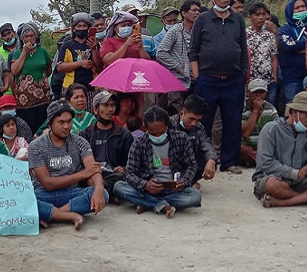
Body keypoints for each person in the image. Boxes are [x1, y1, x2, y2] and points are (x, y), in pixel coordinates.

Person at [188, 0, 248, 175]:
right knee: (202, 121)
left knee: (232, 121)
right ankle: (201, 161)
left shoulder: (238, 19)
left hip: (233, 79)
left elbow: (243, 50)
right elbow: (194, 50)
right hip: (207, 79)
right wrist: (197, 76)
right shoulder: (203, 19)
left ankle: (230, 161)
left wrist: (243, 75)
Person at [28, 100, 108, 230]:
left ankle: (52, 214)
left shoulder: (80, 142)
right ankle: (70, 216)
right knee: (23, 200)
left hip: (70, 194)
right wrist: (82, 174)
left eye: (69, 121)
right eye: (61, 122)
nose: (66, 126)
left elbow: (93, 168)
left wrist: (99, 187)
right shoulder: (36, 146)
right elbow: (47, 183)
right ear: (50, 123)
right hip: (43, 195)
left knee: (103, 194)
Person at [113, 106, 202, 218]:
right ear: (145, 128)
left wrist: (184, 181)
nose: (158, 136)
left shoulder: (181, 138)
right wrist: (145, 185)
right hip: (147, 190)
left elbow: (192, 165)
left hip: (173, 190)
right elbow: (129, 173)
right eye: (153, 133)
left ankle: (148, 203)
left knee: (195, 196)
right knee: (118, 187)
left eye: (161, 132)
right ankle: (161, 205)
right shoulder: (139, 143)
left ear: (167, 126)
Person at [252, 92, 307, 207]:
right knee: (272, 184)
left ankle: (282, 202)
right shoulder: (271, 129)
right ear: (293, 112)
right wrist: (295, 173)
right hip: (274, 177)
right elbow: (265, 163)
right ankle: (301, 198)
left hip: (300, 181)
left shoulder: (306, 132)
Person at [79, 91, 133, 200]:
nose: (110, 109)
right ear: (95, 109)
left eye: (112, 105)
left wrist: (123, 168)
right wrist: (89, 176)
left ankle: (100, 192)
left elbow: (131, 162)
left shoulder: (124, 134)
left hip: (113, 175)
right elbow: (79, 163)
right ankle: (108, 194)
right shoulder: (85, 134)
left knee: (121, 180)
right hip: (92, 174)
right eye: (105, 105)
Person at [156, 0, 202, 114]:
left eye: (198, 10)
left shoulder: (200, 31)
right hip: (177, 80)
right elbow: (161, 53)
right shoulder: (175, 30)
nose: (197, 13)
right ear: (184, 13)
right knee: (176, 114)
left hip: (195, 80)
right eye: (193, 10)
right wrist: (179, 67)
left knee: (193, 113)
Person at [10, 22, 52, 133]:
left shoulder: (42, 52)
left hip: (43, 100)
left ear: (36, 36)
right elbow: (14, 70)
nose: (29, 39)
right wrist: (24, 52)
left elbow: (49, 68)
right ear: (22, 38)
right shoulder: (17, 53)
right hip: (25, 102)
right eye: (26, 36)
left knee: (42, 129)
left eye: (31, 36)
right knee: (27, 130)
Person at [169, 95, 217, 188]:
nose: (194, 123)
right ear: (181, 113)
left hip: (187, 166)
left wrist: (211, 160)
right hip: (168, 165)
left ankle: (187, 182)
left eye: (198, 120)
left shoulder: (199, 127)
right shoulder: (168, 124)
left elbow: (206, 144)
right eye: (191, 119)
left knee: (210, 160)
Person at [56, 12, 103, 91]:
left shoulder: (93, 43)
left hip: (92, 87)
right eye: (79, 26)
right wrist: (80, 63)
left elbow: (99, 67)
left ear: (88, 28)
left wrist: (94, 49)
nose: (81, 28)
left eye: (84, 26)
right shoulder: (67, 45)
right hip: (71, 88)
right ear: (74, 28)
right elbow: (60, 67)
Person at [240, 79, 280, 167]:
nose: (258, 95)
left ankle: (262, 161)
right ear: (248, 93)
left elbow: (277, 129)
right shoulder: (241, 108)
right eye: (255, 92)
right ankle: (266, 162)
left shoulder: (270, 108)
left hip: (264, 147)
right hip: (247, 145)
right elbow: (245, 134)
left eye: (262, 92)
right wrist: (256, 111)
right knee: (244, 151)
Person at [246, 2, 279, 105]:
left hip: (268, 81)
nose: (261, 17)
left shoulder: (270, 36)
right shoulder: (245, 35)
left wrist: (275, 78)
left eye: (263, 14)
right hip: (251, 81)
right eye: (257, 14)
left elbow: (273, 57)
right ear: (250, 17)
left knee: (269, 109)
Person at [278, 0, 307, 104]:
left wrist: (298, 48)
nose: (301, 10)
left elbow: (293, 45)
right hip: (292, 76)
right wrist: (306, 46)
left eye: (303, 7)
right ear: (290, 10)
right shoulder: (285, 29)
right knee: (293, 107)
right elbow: (288, 45)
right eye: (297, 8)